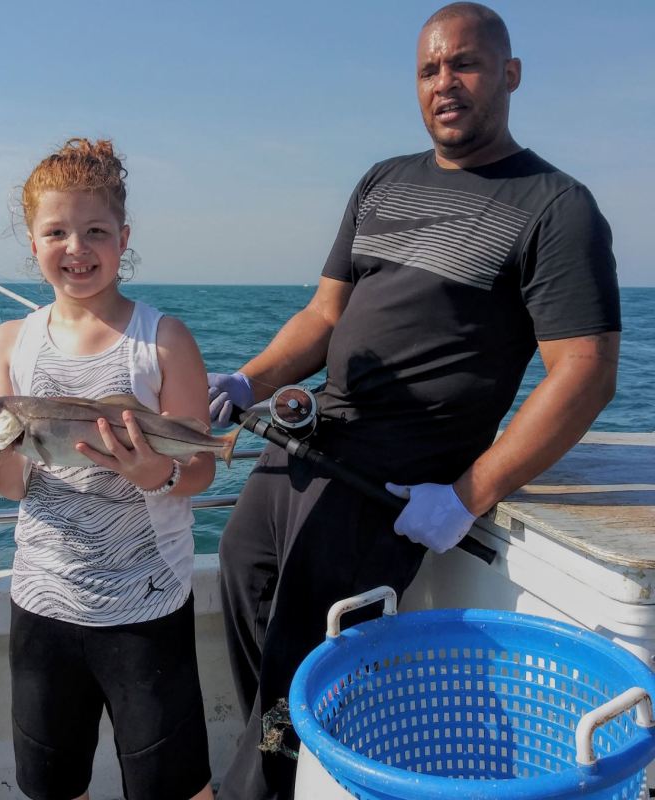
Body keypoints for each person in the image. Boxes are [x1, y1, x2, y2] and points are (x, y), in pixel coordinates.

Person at [208, 4, 621, 799]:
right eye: (430, 69)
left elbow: (585, 372)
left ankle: (266, 786)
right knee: (243, 575)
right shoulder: (382, 180)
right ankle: (276, 768)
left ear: (510, 74)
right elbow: (324, 317)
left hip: (396, 477)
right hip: (306, 439)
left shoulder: (555, 206)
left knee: (309, 640)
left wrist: (470, 494)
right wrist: (247, 382)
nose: (445, 83)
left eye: (464, 64)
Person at [0, 139, 216, 800]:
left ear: (124, 239)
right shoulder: (8, 344)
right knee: (53, 786)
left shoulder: (165, 340)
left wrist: (155, 472)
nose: (77, 247)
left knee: (174, 787)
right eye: (56, 232)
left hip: (147, 606)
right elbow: (18, 484)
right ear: (33, 243)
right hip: (43, 606)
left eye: (95, 231)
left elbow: (202, 469)